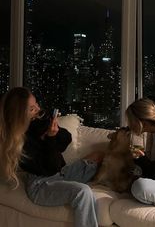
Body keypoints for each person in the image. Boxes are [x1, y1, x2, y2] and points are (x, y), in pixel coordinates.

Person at [0, 87, 101, 227]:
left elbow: (66, 139)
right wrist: (50, 139)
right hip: (41, 185)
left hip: (61, 173)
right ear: (19, 114)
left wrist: (53, 131)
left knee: (97, 158)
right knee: (83, 192)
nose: (38, 109)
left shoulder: (37, 123)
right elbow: (48, 167)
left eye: (36, 104)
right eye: (32, 109)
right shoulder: (17, 143)